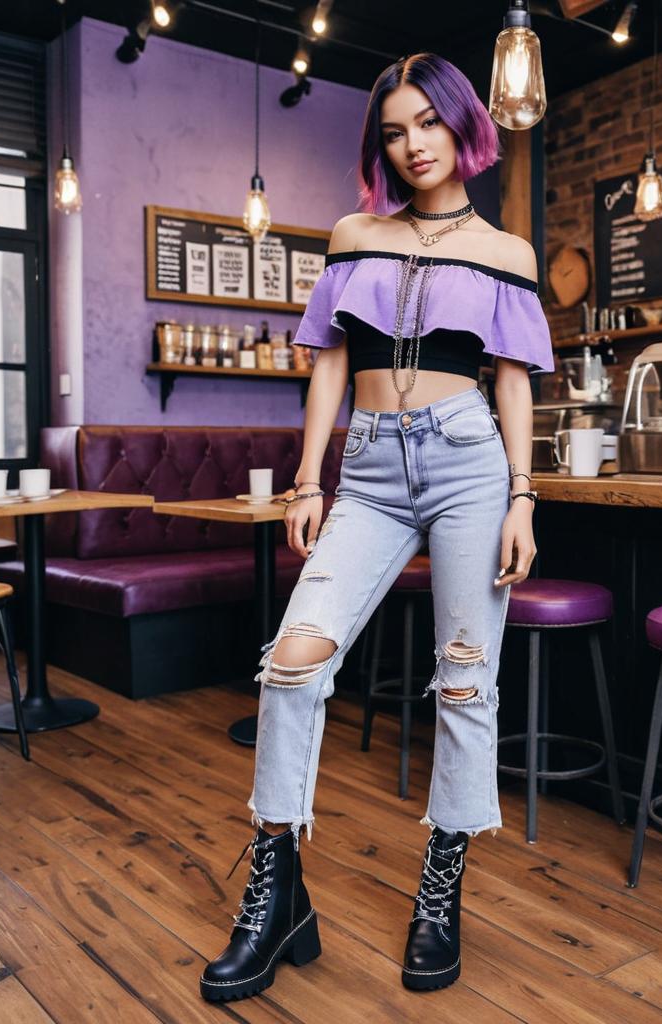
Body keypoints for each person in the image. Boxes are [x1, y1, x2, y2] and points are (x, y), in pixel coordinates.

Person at [200, 52, 554, 1004]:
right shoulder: (354, 234)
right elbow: (325, 361)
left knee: (465, 682)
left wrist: (524, 495)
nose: (412, 146)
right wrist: (310, 476)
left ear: (460, 126)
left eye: (427, 124)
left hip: (469, 462)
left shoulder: (509, 253)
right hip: (368, 470)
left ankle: (440, 893)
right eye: (394, 132)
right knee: (292, 662)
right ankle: (277, 894)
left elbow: (513, 379)